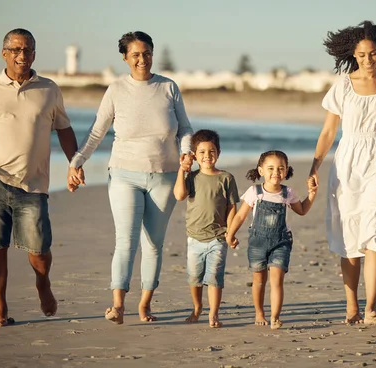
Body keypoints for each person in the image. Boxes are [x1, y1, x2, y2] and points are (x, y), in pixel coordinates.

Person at [67, 31, 193, 324]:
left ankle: (145, 305)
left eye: (146, 53)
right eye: (135, 54)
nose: (142, 59)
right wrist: (77, 162)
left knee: (153, 244)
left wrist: (187, 153)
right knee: (126, 240)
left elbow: (185, 129)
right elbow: (97, 132)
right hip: (125, 174)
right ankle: (118, 304)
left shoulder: (168, 87)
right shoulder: (115, 89)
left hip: (166, 175)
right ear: (125, 58)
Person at [0, 28, 79, 327]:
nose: (21, 55)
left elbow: (63, 128)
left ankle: (43, 284)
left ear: (34, 54)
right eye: (15, 49)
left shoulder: (49, 89)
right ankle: (0, 308)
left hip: (33, 185)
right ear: (4, 53)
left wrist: (75, 163)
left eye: (27, 50)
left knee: (39, 251)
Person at [308, 21, 376, 325]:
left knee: (375, 230)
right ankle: (352, 304)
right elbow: (329, 131)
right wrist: (314, 166)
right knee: (350, 235)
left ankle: (371, 308)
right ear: (354, 54)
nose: (368, 60)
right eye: (363, 55)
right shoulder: (341, 86)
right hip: (347, 163)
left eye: (374, 54)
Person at [226, 150, 317, 330]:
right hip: (257, 242)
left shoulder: (288, 193)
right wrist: (230, 234)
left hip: (281, 242)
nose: (276, 172)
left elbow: (302, 210)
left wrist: (312, 193)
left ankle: (275, 316)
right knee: (259, 280)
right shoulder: (255, 192)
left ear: (286, 171)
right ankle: (259, 312)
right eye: (271, 168)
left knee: (277, 281)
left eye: (280, 168)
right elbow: (240, 217)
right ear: (261, 171)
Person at [173, 129, 239, 328]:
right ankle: (197, 308)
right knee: (195, 278)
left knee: (214, 278)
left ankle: (214, 314)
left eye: (211, 151)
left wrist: (231, 231)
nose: (207, 156)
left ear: (218, 153)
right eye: (201, 152)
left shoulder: (226, 178)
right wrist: (182, 170)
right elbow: (179, 195)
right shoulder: (191, 177)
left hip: (218, 237)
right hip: (194, 238)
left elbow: (233, 206)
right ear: (194, 155)